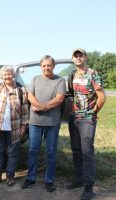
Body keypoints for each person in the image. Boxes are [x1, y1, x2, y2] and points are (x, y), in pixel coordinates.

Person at [22, 55, 66, 192]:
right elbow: (30, 96)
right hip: (35, 122)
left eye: (49, 65)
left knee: (51, 152)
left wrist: (42, 107)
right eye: (44, 65)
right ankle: (30, 178)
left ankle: (49, 180)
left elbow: (59, 99)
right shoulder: (35, 79)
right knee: (33, 150)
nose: (46, 67)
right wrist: (40, 106)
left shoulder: (60, 81)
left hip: (52, 123)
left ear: (53, 66)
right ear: (41, 67)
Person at [67, 48, 106, 200]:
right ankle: (78, 179)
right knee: (76, 150)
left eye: (80, 55)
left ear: (85, 57)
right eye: (75, 55)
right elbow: (72, 94)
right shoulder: (72, 75)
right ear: (73, 59)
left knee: (87, 152)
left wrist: (93, 113)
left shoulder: (93, 74)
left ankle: (89, 187)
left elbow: (102, 97)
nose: (78, 58)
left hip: (87, 119)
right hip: (74, 118)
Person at [0, 66, 29, 186]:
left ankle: (10, 176)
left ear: (13, 75)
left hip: (15, 127)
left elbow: (25, 110)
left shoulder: (21, 90)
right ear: (1, 76)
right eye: (5, 74)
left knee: (13, 153)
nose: (7, 76)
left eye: (9, 74)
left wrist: (23, 127)